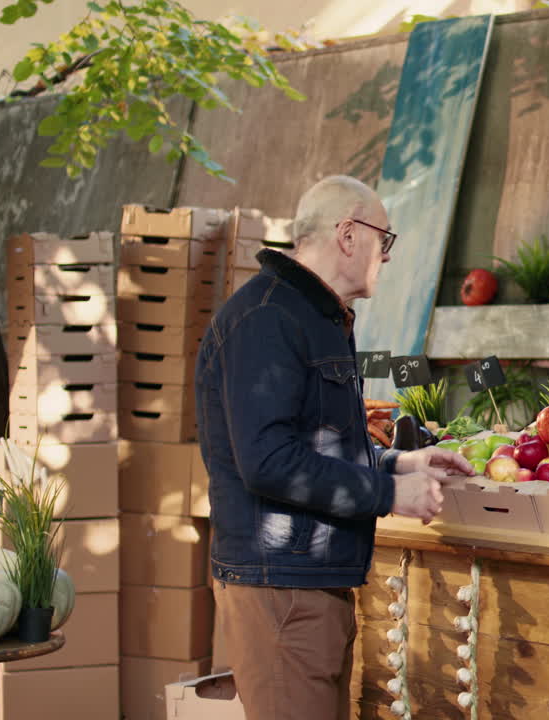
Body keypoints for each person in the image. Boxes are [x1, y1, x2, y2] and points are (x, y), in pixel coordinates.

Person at [195, 175, 473, 720]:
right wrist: (389, 492)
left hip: (309, 584)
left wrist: (397, 460)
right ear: (348, 234)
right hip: (280, 588)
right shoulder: (268, 318)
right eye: (383, 240)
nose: (386, 256)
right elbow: (269, 463)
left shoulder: (318, 316)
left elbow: (318, 443)